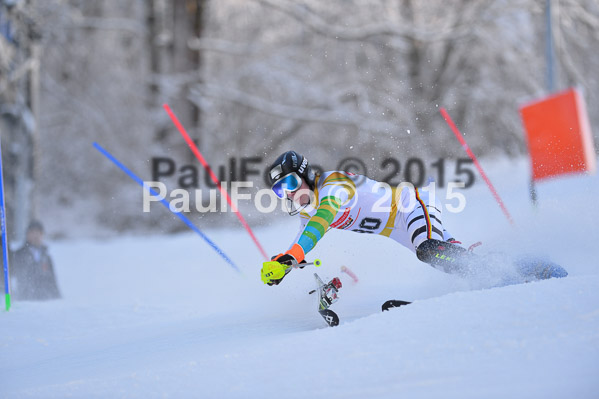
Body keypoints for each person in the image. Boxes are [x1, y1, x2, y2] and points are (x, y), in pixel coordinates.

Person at [261, 150, 470, 286]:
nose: (288, 193)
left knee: (428, 250)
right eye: (280, 190)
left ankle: (484, 266)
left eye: (289, 184)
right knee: (445, 263)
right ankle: (485, 267)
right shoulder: (309, 210)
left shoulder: (333, 186)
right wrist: (284, 264)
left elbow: (321, 221)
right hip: (396, 229)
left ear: (305, 175)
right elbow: (303, 240)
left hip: (412, 205)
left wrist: (293, 255)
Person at [11, 220, 61, 300]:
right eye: (33, 232)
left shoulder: (46, 257)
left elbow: (52, 281)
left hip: (45, 301)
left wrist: (58, 298)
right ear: (27, 234)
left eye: (39, 233)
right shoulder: (18, 255)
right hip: (25, 300)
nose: (36, 236)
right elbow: (12, 276)